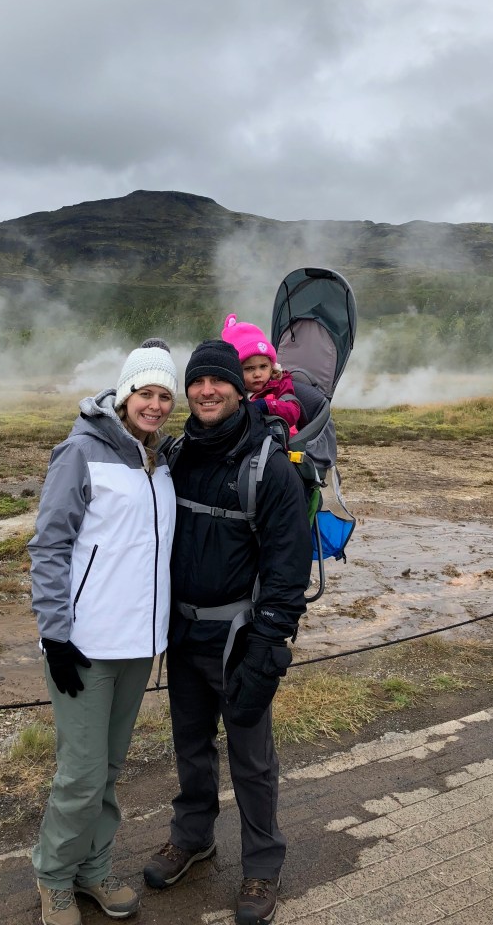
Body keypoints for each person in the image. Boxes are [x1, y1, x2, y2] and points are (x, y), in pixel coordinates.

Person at [143, 339, 313, 925]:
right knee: (190, 746)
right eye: (197, 383)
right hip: (183, 634)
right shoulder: (176, 454)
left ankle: (262, 867)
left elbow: (289, 569)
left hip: (241, 640)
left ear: (241, 391)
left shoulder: (269, 466)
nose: (207, 391)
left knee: (251, 758)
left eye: (219, 382)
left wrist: (269, 647)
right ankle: (193, 839)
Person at [29, 339, 178, 925]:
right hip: (84, 648)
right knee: (82, 773)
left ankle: (93, 870)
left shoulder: (159, 460)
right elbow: (49, 546)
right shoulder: (80, 452)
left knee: (110, 768)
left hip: (138, 646)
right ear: (124, 394)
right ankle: (53, 877)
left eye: (165, 395)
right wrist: (56, 635)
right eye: (146, 392)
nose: (156, 404)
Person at [221, 313, 301, 433]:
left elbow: (293, 412)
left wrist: (266, 405)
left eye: (263, 367)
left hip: (280, 444)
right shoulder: (231, 390)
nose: (257, 374)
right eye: (249, 368)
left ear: (271, 366)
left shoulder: (280, 383)